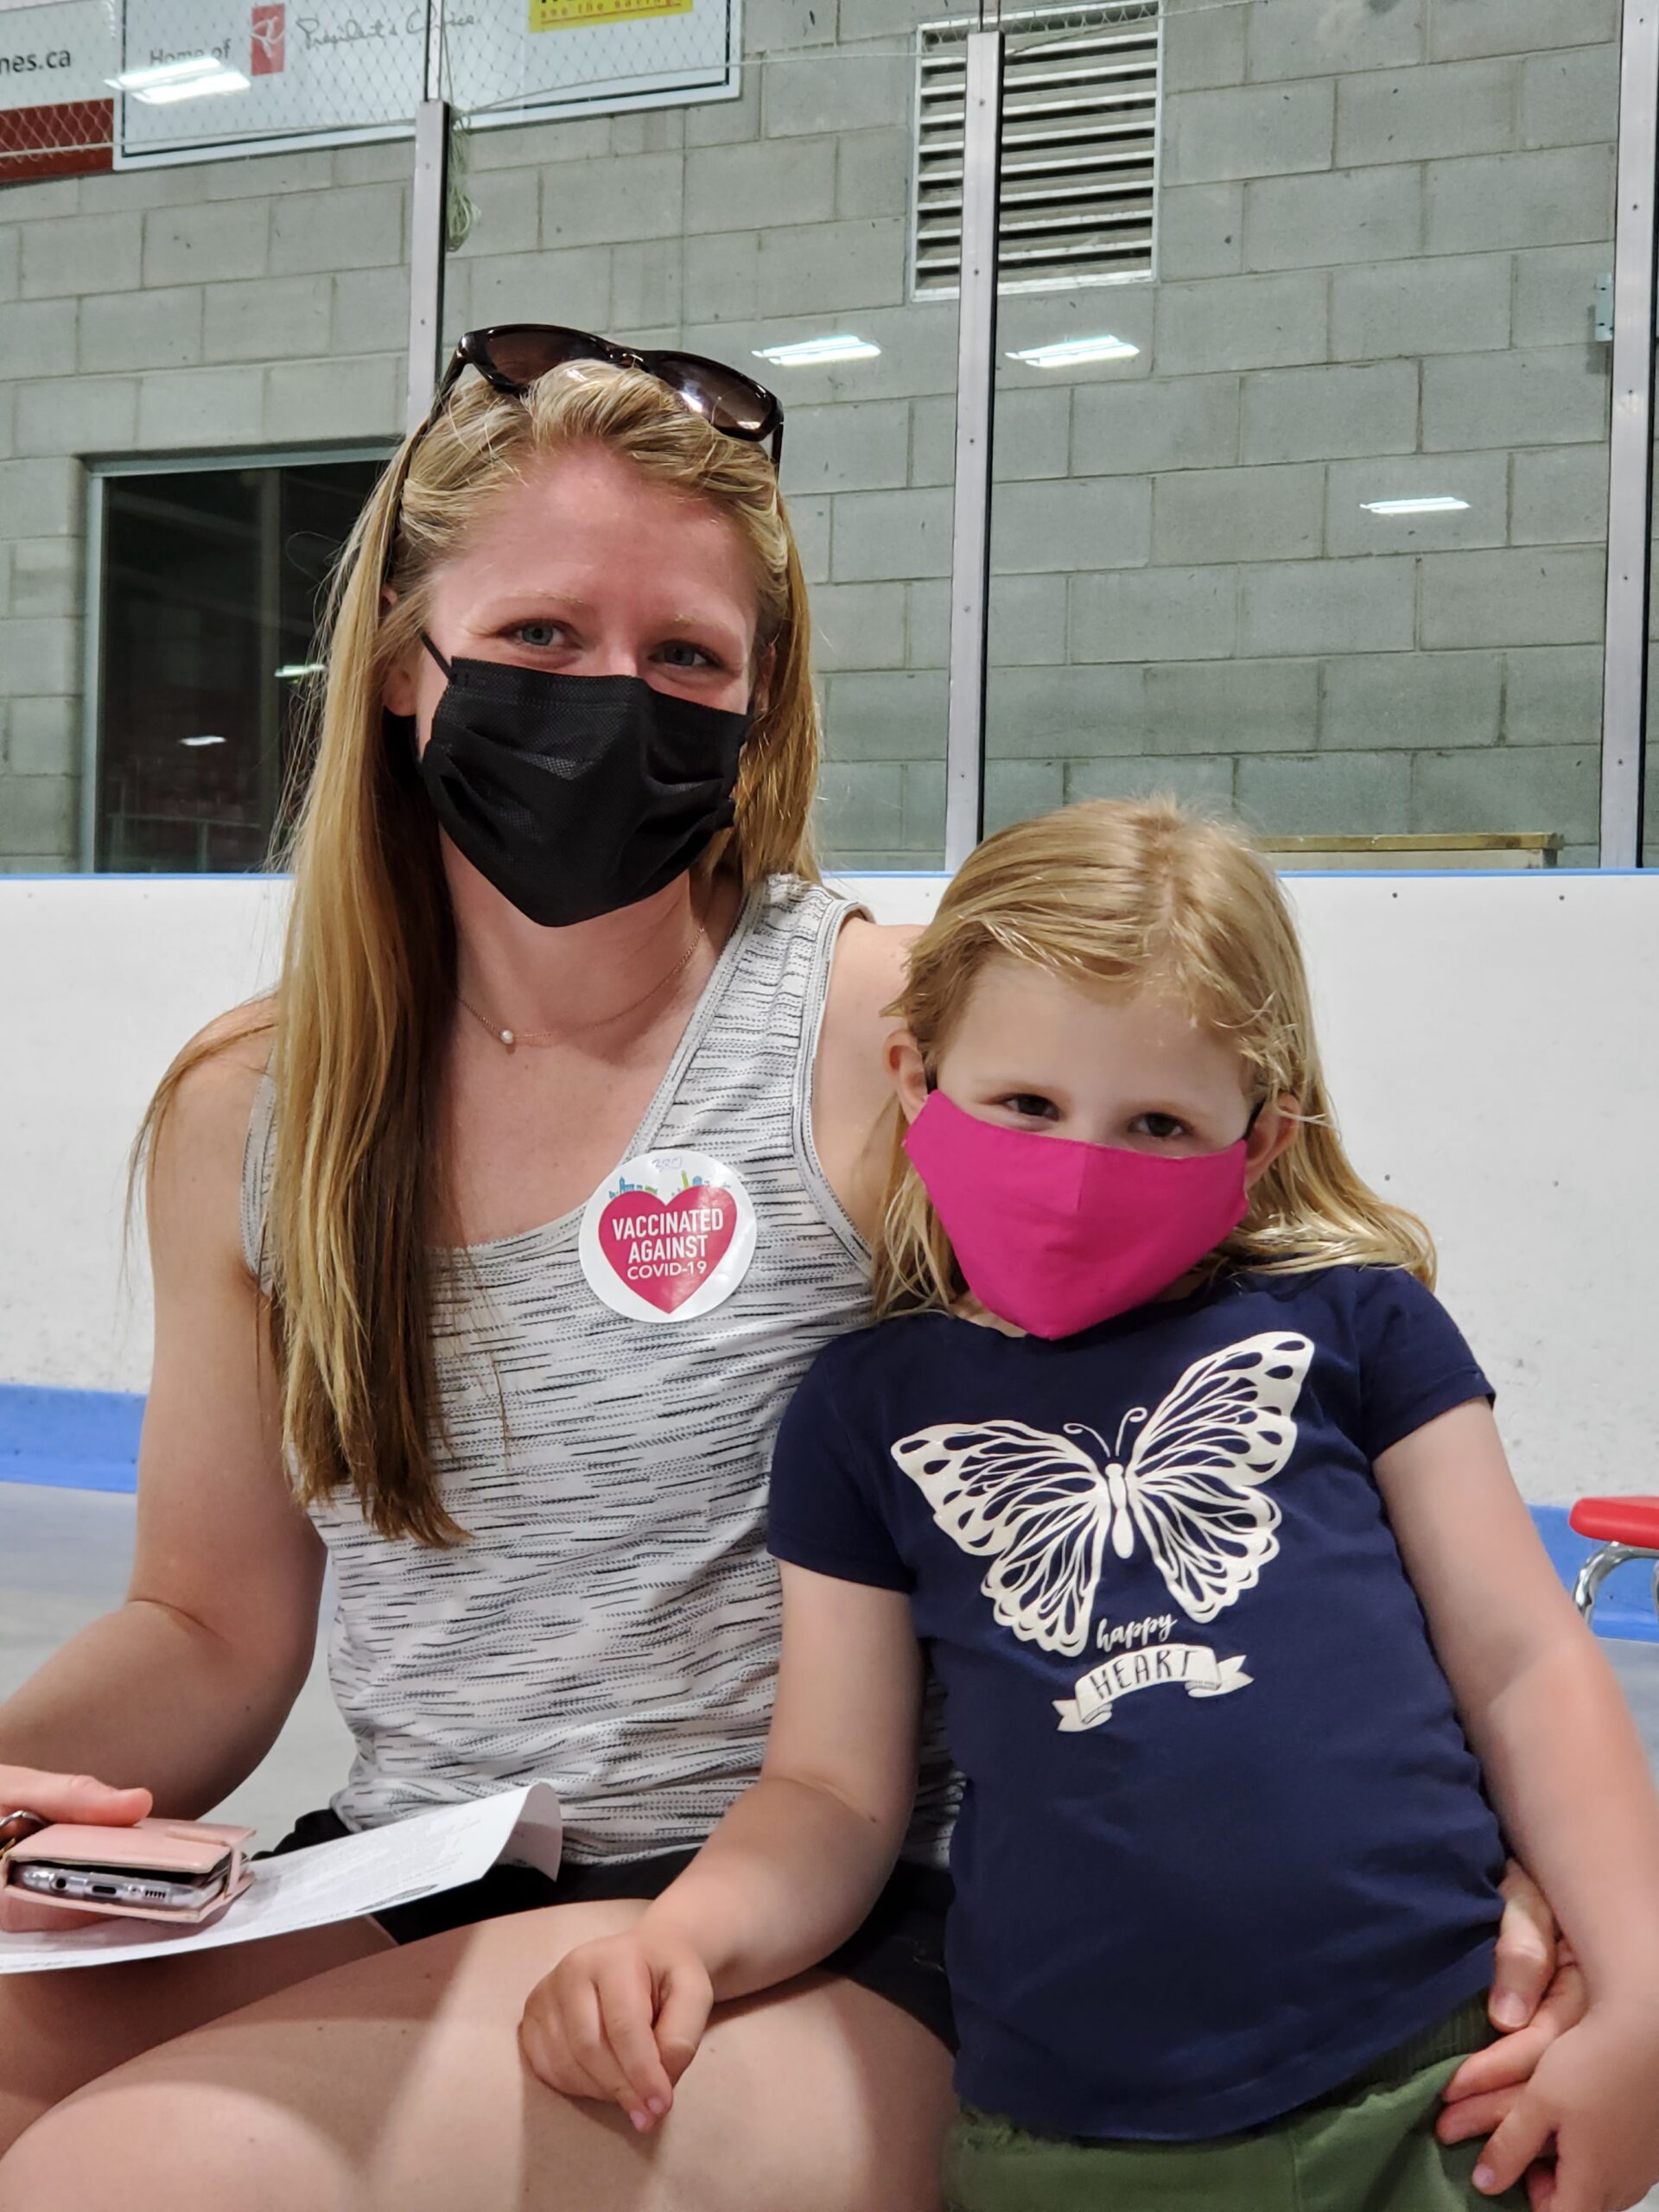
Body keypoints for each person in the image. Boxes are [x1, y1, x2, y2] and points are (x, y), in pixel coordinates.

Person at [0, 341, 1573, 2209]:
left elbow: (1306, 1405)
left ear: (758, 704)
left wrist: (1510, 1840)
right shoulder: (261, 1106)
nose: (611, 698)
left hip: (842, 1918)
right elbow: (207, 1626)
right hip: (413, 1862)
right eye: (544, 635)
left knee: (139, 2173)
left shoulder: (893, 1036)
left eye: (686, 660)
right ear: (408, 668)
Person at [519, 800, 1659, 2212]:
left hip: (1440, 2086)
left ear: (1262, 1134)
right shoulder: (866, 1413)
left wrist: (1645, 1990)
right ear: (916, 1074)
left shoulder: (1363, 1334)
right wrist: (683, 1939)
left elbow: (1525, 1658)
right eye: (1027, 1106)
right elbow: (831, 1786)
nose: (1082, 1167)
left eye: (1161, 1123)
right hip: (1064, 2149)